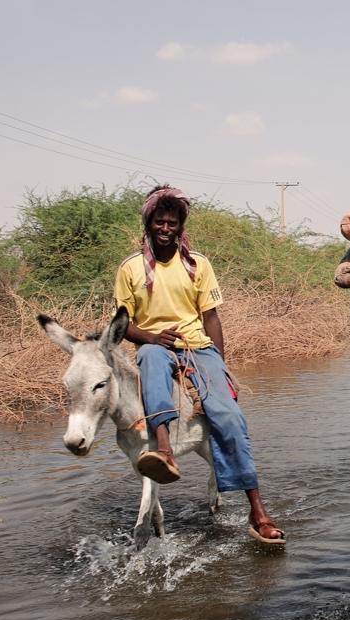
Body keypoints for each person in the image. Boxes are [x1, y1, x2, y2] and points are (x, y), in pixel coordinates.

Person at [112, 185, 286, 545]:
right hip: (154, 345)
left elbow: (211, 317)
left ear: (180, 226)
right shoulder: (130, 269)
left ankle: (258, 511)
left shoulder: (197, 265)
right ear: (148, 223)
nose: (165, 228)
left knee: (230, 417)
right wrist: (150, 336)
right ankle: (163, 450)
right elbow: (123, 324)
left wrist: (218, 364)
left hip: (197, 347)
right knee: (149, 359)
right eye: (159, 221)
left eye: (172, 223)